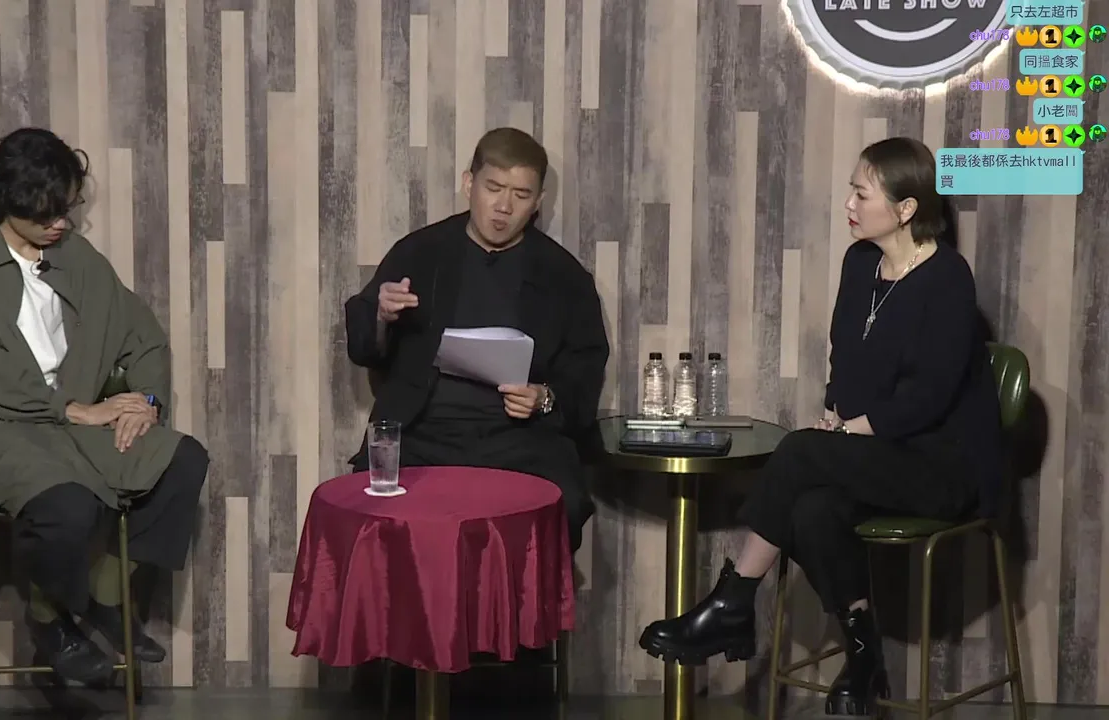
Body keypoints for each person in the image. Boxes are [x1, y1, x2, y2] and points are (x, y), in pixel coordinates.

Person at [637, 137, 1002, 716]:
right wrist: (837, 413)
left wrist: (849, 431)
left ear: (906, 208)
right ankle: (864, 659)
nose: (849, 204)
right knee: (811, 510)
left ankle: (734, 601)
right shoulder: (861, 264)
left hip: (941, 464)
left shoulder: (949, 278)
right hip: (881, 455)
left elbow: (929, 398)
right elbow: (846, 358)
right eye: (851, 190)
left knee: (801, 452)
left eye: (863, 194)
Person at [0, 128, 210, 686]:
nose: (62, 223)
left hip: (70, 424)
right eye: (47, 212)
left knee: (182, 460)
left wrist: (144, 403)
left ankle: (102, 599)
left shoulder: (76, 257)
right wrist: (76, 410)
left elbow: (144, 338)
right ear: (8, 200)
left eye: (67, 208)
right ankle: (50, 620)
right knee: (68, 506)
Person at [344, 127, 610, 552]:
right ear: (469, 184)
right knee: (369, 512)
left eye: (521, 195)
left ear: (538, 202)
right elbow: (363, 348)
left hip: (521, 440)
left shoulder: (564, 276)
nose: (504, 206)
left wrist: (544, 397)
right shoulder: (419, 252)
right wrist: (380, 315)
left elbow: (584, 372)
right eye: (494, 188)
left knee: (564, 504)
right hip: (422, 434)